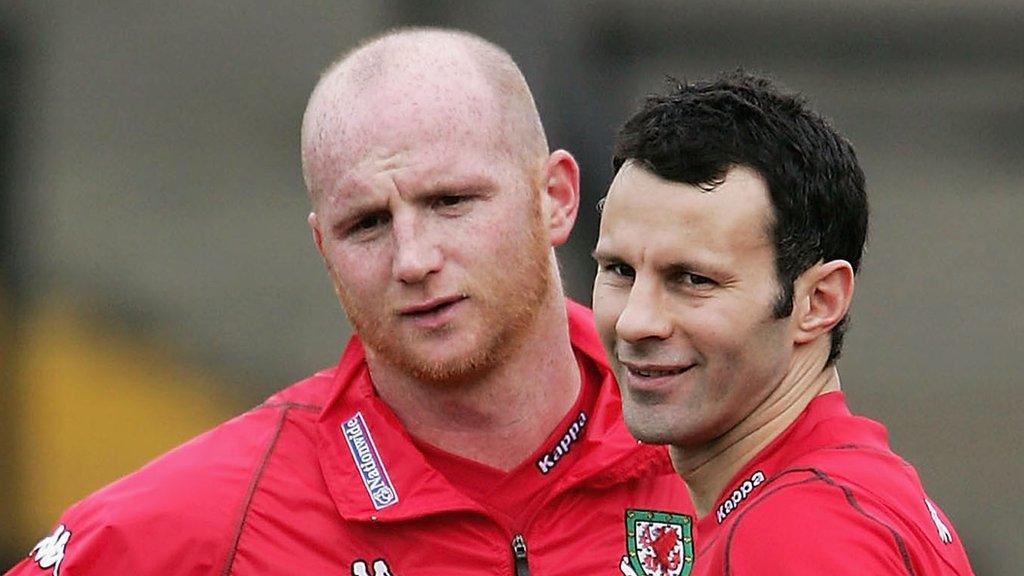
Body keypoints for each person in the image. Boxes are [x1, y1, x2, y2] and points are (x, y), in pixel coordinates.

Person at [6, 28, 692, 576]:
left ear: (557, 199)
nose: (414, 259)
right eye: (366, 224)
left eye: (450, 202)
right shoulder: (209, 517)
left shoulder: (741, 450)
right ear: (324, 252)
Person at [593, 72, 975, 575]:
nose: (636, 321)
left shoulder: (800, 535)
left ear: (818, 301)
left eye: (692, 279)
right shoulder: (823, 498)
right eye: (620, 270)